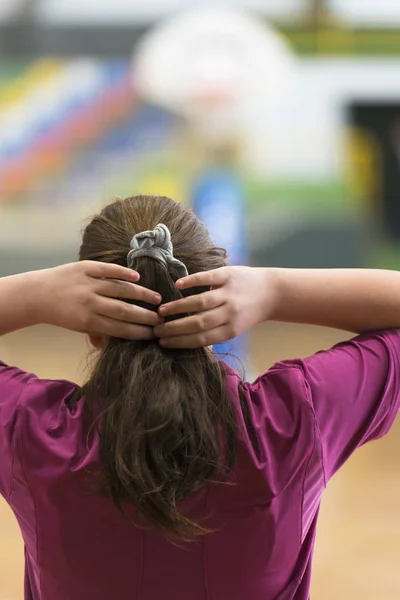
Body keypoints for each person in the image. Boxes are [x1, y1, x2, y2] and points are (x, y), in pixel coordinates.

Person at [0, 194, 399, 600]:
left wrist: (33, 295)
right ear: (219, 301)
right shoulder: (291, 417)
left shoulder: (32, 431)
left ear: (91, 329)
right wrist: (275, 290)